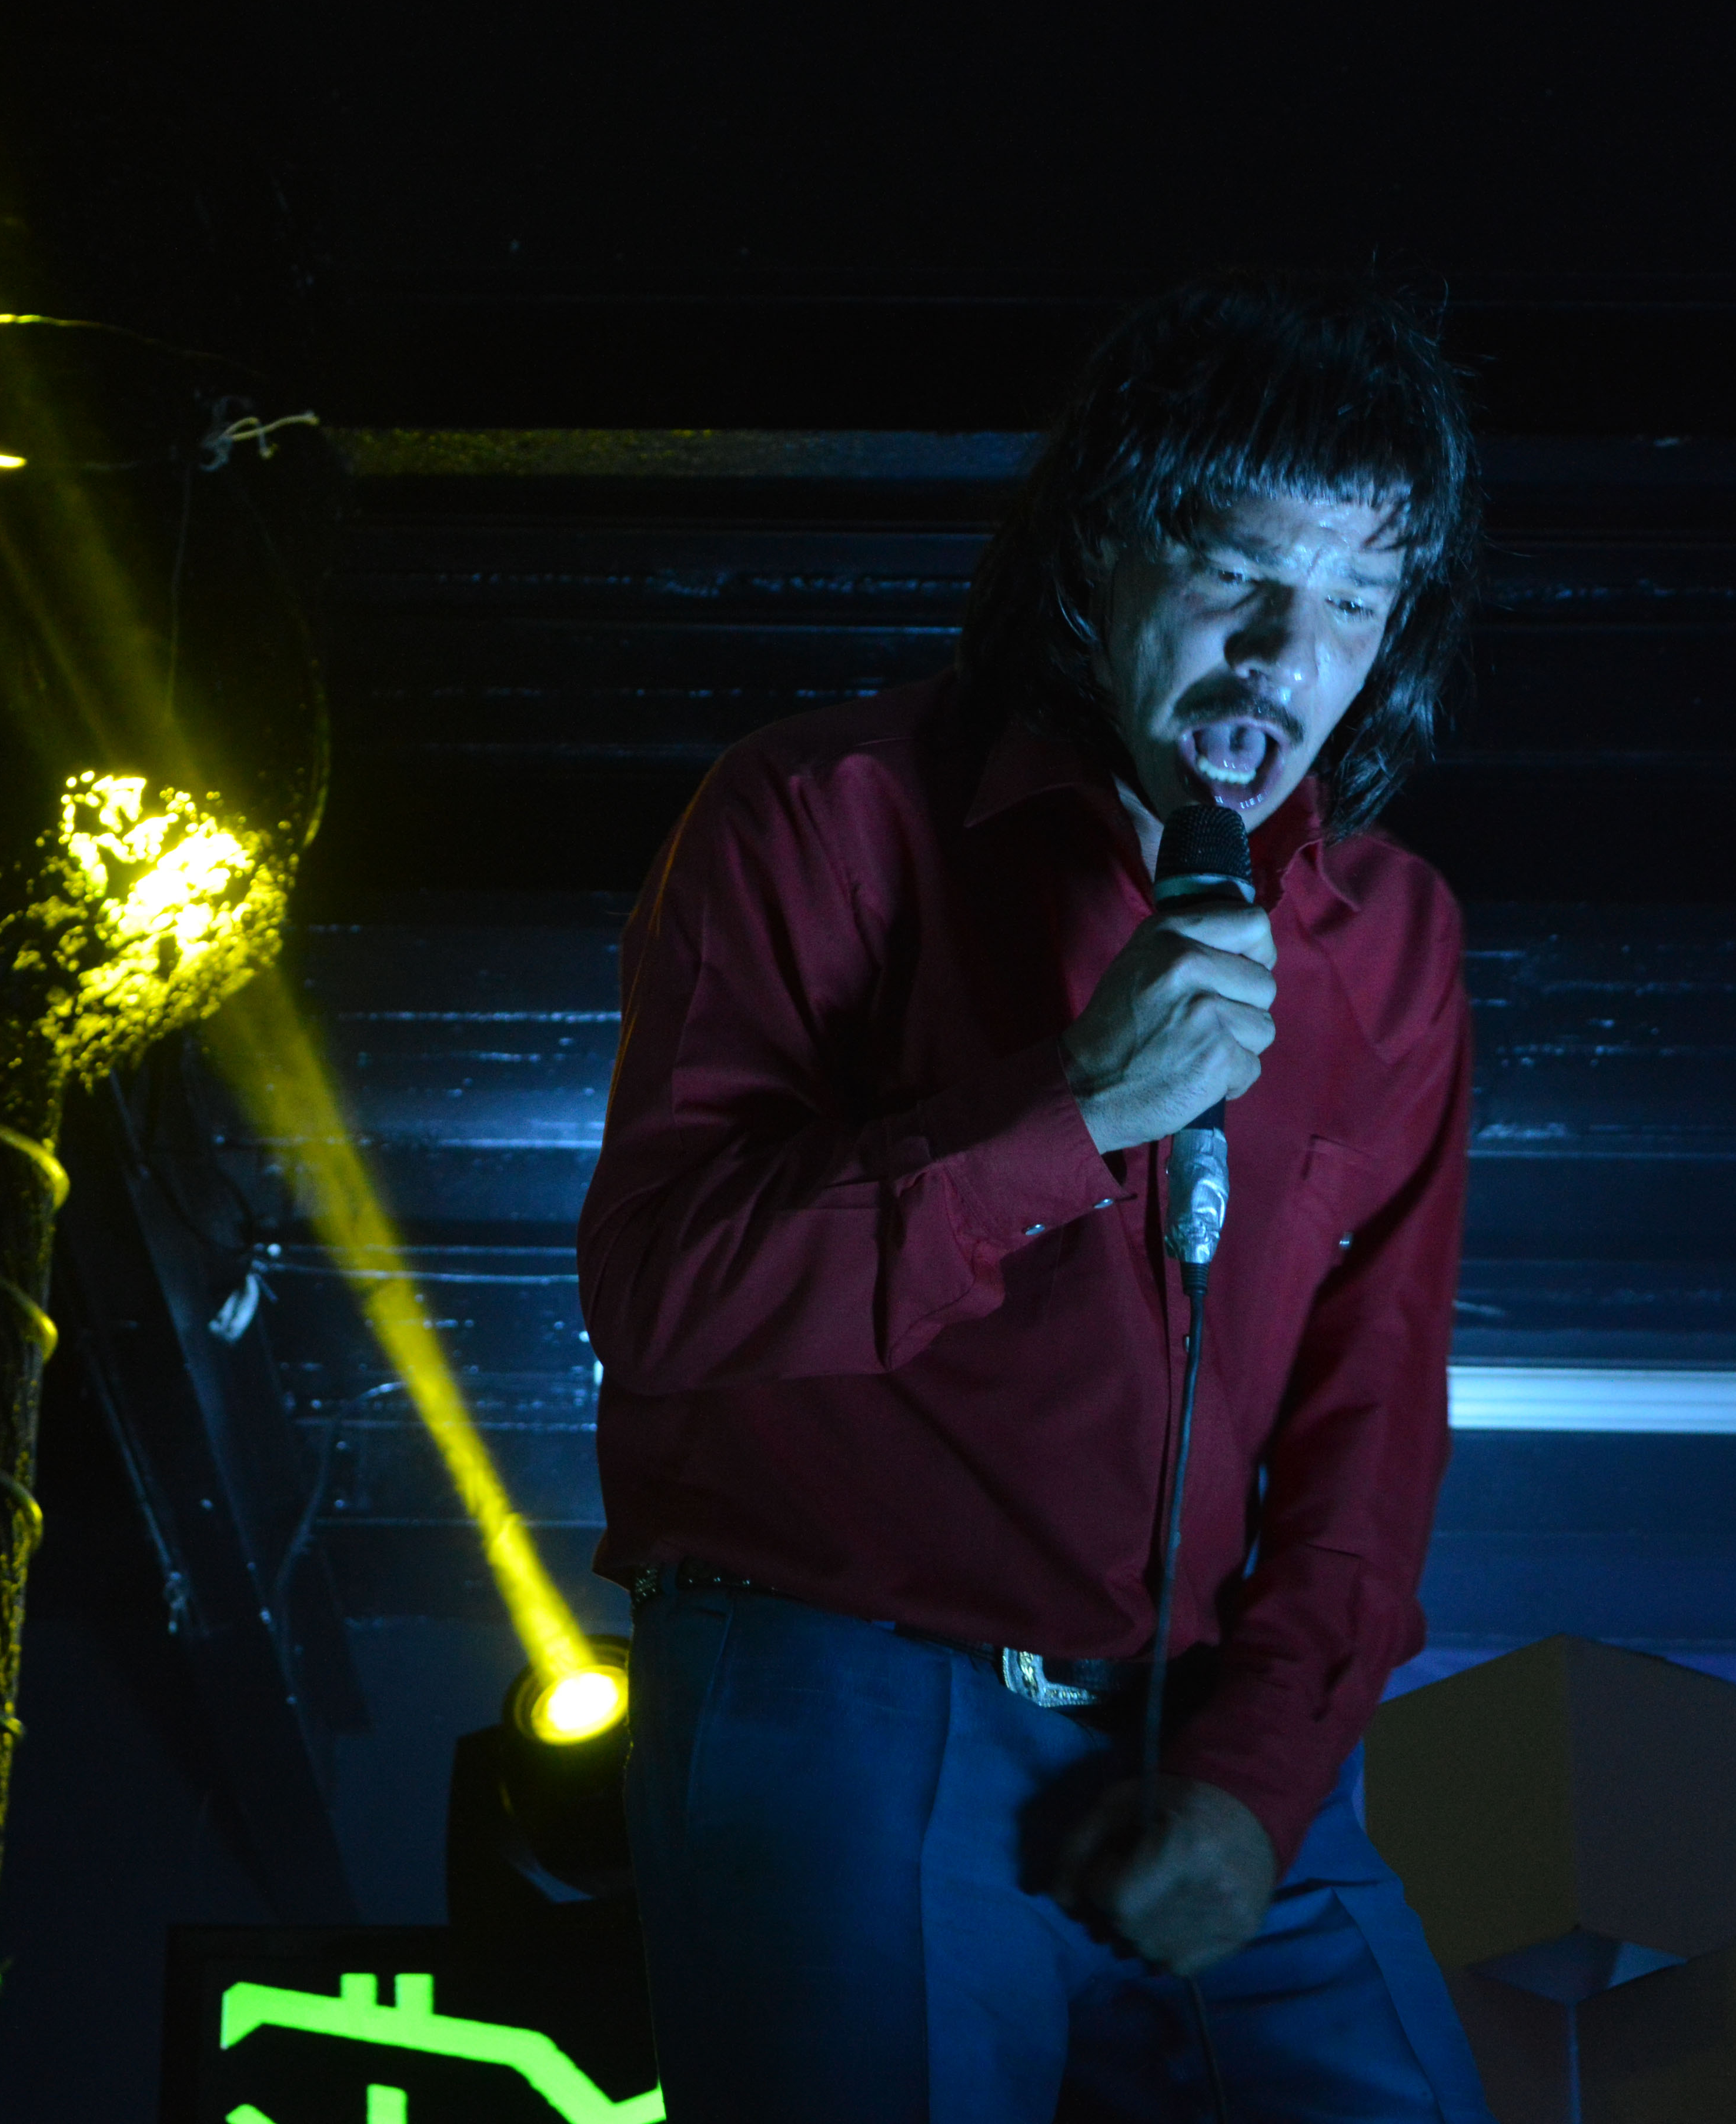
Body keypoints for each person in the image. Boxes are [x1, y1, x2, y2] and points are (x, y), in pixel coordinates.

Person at [578, 274, 1493, 2122]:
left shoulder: (1392, 944)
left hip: (1194, 1730)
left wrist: (1261, 1780)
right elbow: (665, 1293)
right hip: (837, 1680)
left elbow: (1374, 1426)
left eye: (1354, 602)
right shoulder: (819, 814)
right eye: (1237, 572)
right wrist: (1072, 1114)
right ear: (1099, 549)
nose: (1286, 655)